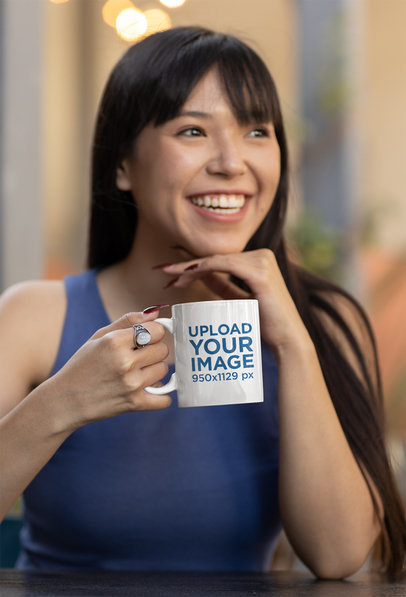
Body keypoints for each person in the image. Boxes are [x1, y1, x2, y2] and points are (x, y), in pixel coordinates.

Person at [0, 26, 404, 578]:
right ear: (122, 164)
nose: (232, 162)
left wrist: (292, 342)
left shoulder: (323, 324)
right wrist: (62, 402)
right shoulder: (33, 318)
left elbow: (337, 557)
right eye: (193, 130)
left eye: (257, 131)